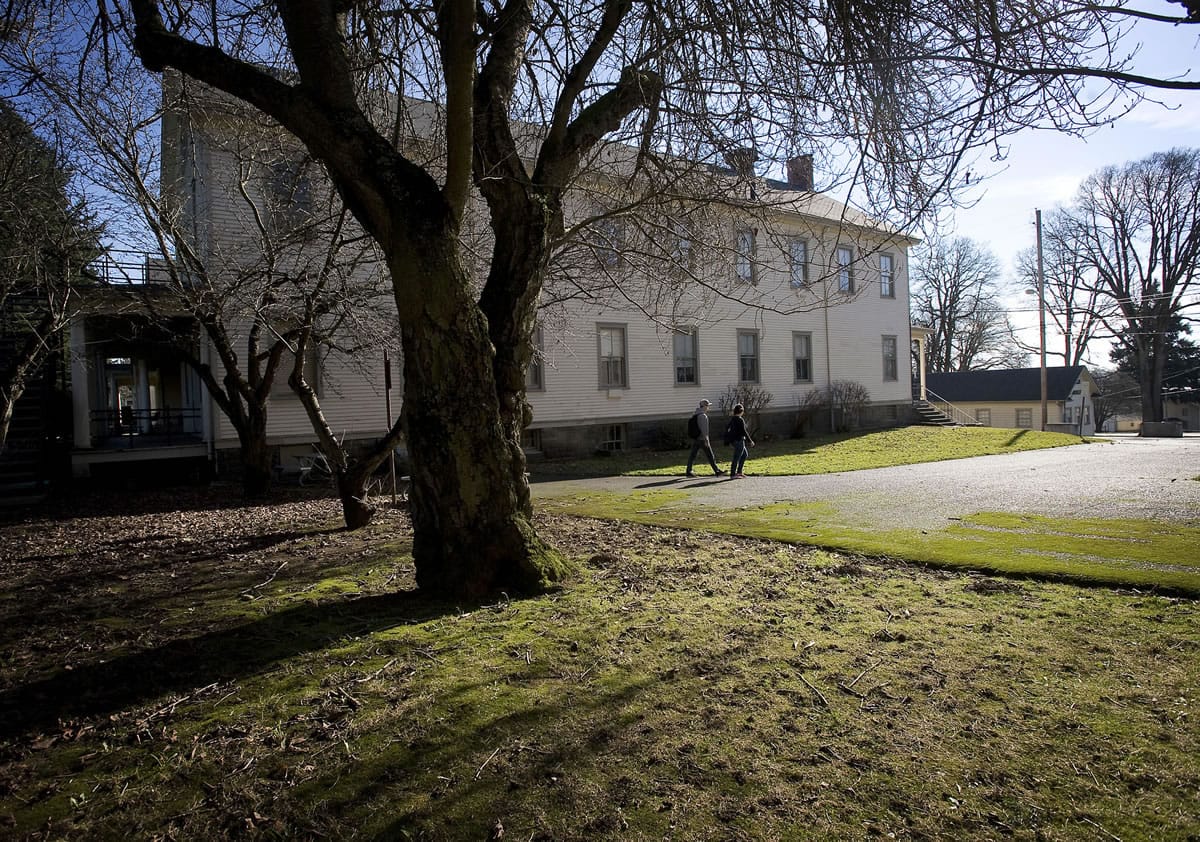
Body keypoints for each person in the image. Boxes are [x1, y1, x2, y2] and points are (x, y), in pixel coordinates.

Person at [685, 400, 726, 477]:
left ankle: (688, 471)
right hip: (702, 439)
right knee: (710, 456)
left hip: (696, 438)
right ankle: (717, 471)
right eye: (707, 406)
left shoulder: (695, 415)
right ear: (704, 406)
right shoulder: (703, 416)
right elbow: (704, 430)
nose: (708, 407)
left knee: (692, 455)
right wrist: (707, 440)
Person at [727, 403, 755, 479]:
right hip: (739, 440)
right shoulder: (740, 419)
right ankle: (733, 474)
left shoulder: (732, 419)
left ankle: (739, 472)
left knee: (744, 455)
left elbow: (728, 429)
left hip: (734, 440)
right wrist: (750, 441)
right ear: (741, 411)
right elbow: (744, 431)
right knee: (737, 457)